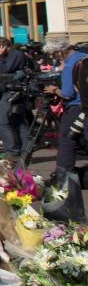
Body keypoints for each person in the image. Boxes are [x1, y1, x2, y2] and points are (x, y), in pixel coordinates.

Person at [46, 44, 87, 189]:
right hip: (84, 104)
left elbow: (68, 94)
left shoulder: (70, 65)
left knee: (66, 140)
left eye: (54, 54)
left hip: (77, 107)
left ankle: (64, 176)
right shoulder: (83, 58)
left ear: (60, 52)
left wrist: (54, 89)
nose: (54, 58)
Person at [0, 37, 32, 161]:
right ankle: (25, 150)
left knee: (1, 121)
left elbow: (3, 72)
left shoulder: (15, 54)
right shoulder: (13, 55)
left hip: (13, 91)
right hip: (11, 91)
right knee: (18, 122)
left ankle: (12, 151)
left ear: (1, 46)